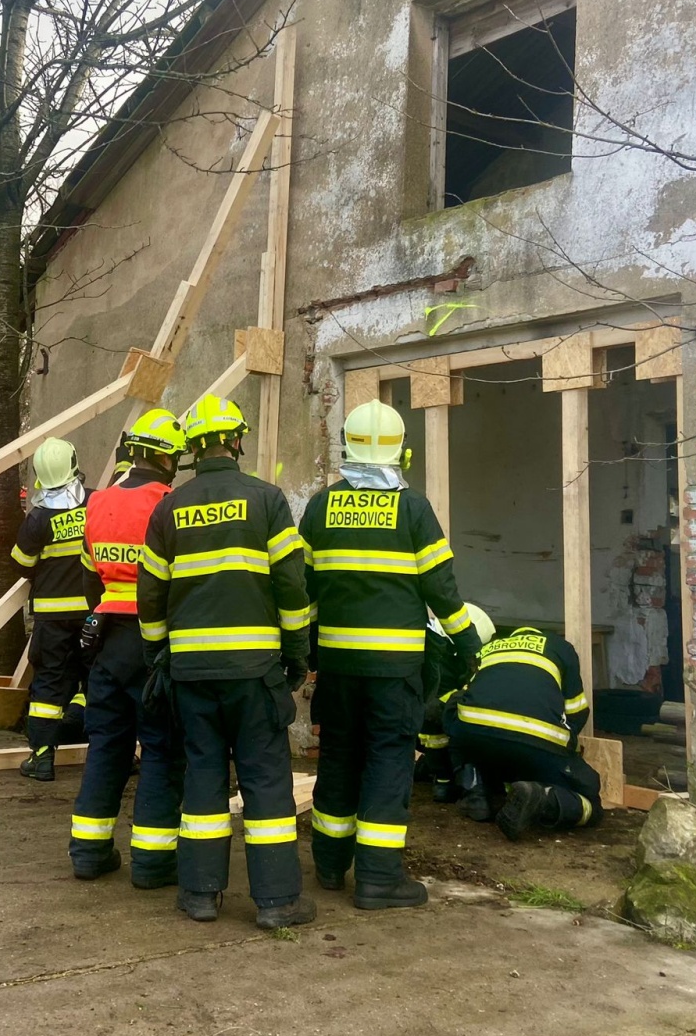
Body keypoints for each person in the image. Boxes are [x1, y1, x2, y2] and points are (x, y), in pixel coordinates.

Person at [297, 400, 486, 909]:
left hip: (337, 667)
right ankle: (379, 877)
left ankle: (331, 866)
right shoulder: (413, 509)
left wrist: (300, 650)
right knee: (387, 761)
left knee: (338, 757)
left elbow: (303, 590)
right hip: (395, 670)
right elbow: (442, 591)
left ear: (345, 448)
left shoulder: (320, 507)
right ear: (402, 452)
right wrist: (470, 643)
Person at [137, 394, 315, 931]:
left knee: (203, 774)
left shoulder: (168, 507)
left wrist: (157, 655)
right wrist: (296, 653)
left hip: (191, 673)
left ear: (191, 448)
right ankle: (277, 901)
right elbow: (290, 583)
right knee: (265, 779)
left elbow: (151, 594)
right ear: (237, 440)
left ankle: (198, 895)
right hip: (254, 671)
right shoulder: (266, 500)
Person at [67, 409, 187, 886]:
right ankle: (154, 864)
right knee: (160, 749)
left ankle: (89, 854)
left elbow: (88, 579)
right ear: (165, 457)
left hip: (106, 642)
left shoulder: (96, 503)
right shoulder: (169, 503)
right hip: (153, 641)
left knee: (106, 747)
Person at [448, 625, 601, 840]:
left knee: (454, 710)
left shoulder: (489, 648)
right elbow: (576, 710)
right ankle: (543, 799)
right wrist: (566, 752)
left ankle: (476, 791)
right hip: (535, 743)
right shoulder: (560, 647)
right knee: (591, 800)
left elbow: (465, 696)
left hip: (476, 738)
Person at [12, 437, 91, 781]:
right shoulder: (95, 504)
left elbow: (21, 562)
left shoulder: (38, 518)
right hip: (93, 615)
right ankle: (112, 753)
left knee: (49, 684)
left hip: (53, 618)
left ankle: (42, 757)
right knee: (97, 681)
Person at [417, 606, 494, 802]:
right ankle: (453, 780)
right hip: (432, 727)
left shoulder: (438, 656)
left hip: (424, 729)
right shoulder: (441, 663)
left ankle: (441, 778)